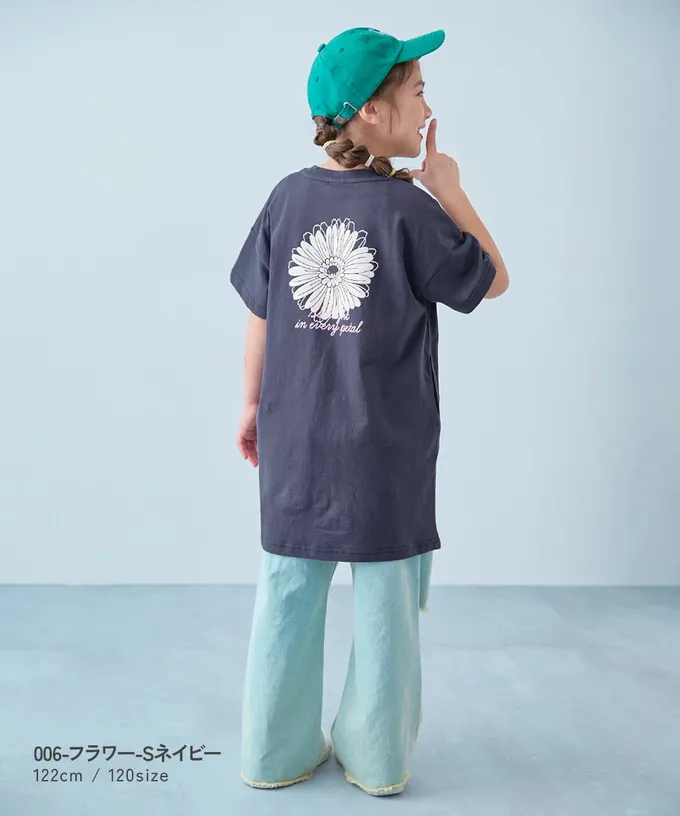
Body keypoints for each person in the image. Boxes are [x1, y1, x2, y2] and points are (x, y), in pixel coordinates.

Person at [229, 26, 509, 797]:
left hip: (294, 440)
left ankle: (273, 752)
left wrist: (251, 403)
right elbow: (492, 280)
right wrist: (448, 187)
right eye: (417, 91)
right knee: (387, 608)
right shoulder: (410, 211)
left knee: (286, 596)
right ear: (374, 113)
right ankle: (378, 759)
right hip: (385, 449)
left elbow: (260, 310)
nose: (427, 106)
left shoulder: (286, 198)